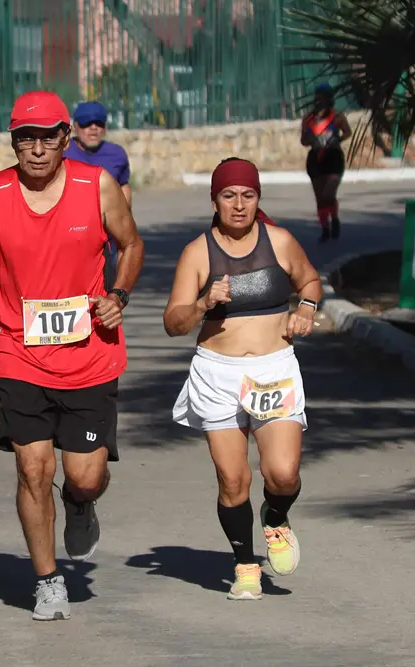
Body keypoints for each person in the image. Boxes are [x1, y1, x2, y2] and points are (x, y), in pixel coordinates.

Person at [0, 90, 144, 621]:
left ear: (65, 138)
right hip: (19, 352)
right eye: (25, 138)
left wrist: (117, 296)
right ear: (13, 141)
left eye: (47, 137)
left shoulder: (95, 185)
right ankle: (48, 580)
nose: (35, 149)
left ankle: (80, 503)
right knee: (33, 468)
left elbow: (132, 245)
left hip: (90, 354)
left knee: (84, 475)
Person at [164, 157, 322, 601]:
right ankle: (245, 564)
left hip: (273, 370)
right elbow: (173, 322)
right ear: (214, 200)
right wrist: (200, 304)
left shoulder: (280, 241)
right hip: (218, 374)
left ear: (258, 199)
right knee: (233, 481)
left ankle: (275, 518)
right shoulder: (198, 253)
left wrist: (306, 309)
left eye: (247, 196)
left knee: (284, 473)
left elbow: (309, 281)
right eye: (229, 196)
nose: (238, 205)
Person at [300, 83, 351, 243]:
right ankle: (325, 229)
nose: (319, 101)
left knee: (329, 194)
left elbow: (348, 132)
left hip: (333, 157)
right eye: (317, 98)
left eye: (323, 98)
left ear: (330, 99)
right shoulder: (308, 119)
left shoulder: (337, 117)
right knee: (320, 197)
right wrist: (310, 139)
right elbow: (303, 140)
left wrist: (337, 139)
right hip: (315, 159)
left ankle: (334, 219)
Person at [64, 101, 132, 207]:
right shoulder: (62, 152)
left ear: (105, 127)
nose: (93, 128)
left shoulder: (117, 154)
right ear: (75, 127)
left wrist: (126, 217)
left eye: (99, 123)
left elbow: (123, 186)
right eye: (86, 123)